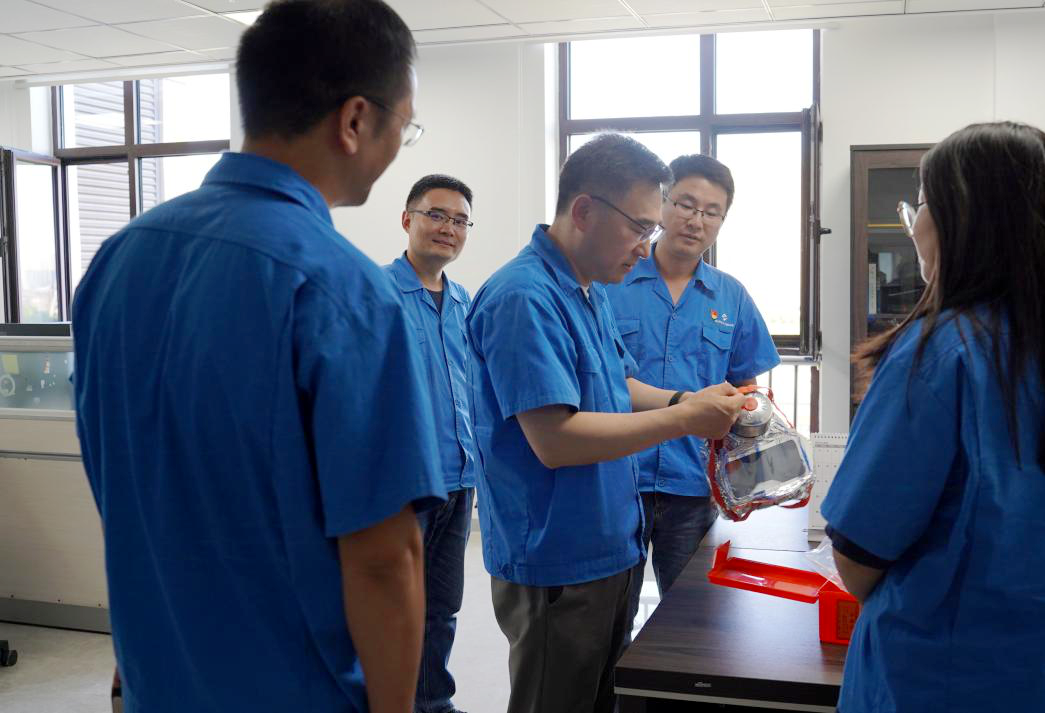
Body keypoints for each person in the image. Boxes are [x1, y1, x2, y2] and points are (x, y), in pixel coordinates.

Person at [72, 2, 445, 712]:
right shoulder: (343, 292)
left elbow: (117, 481)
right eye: (406, 123)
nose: (402, 141)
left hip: (160, 680)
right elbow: (384, 558)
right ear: (355, 120)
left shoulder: (118, 259)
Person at [820, 121, 1045, 713]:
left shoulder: (937, 355)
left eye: (920, 205)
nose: (914, 226)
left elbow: (858, 554)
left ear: (962, 220)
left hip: (943, 683)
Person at [466, 133, 750, 713]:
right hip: (557, 554)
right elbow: (556, 441)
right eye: (640, 228)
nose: (647, 247)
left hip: (608, 543)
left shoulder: (587, 289)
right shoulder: (524, 297)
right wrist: (685, 419)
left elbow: (621, 384)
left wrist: (685, 399)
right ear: (584, 211)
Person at [606, 154, 780, 632]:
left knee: (694, 625)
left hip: (694, 486)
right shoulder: (611, 281)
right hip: (618, 480)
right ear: (662, 204)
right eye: (685, 204)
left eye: (711, 211)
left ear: (722, 221)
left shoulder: (731, 296)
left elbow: (747, 386)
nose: (695, 220)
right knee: (607, 623)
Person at [382, 175, 479, 713]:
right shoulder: (376, 295)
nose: (448, 228)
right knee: (394, 608)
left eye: (460, 220)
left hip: (460, 480)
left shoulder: (466, 303)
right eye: (437, 215)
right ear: (408, 220)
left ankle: (433, 702)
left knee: (441, 607)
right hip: (403, 485)